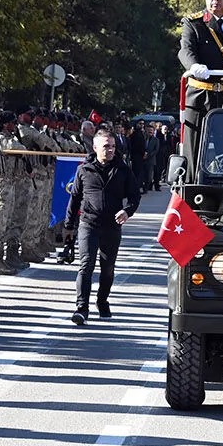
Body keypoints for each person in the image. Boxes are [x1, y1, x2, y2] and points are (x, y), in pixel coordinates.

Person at [65, 127, 140, 325]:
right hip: (89, 224)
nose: (110, 150)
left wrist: (127, 211)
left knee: (107, 269)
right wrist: (68, 225)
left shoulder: (123, 169)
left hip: (112, 226)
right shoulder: (84, 169)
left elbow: (134, 195)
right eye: (106, 146)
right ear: (95, 147)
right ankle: (82, 308)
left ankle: (102, 301)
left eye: (113, 146)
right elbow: (74, 198)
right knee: (86, 265)